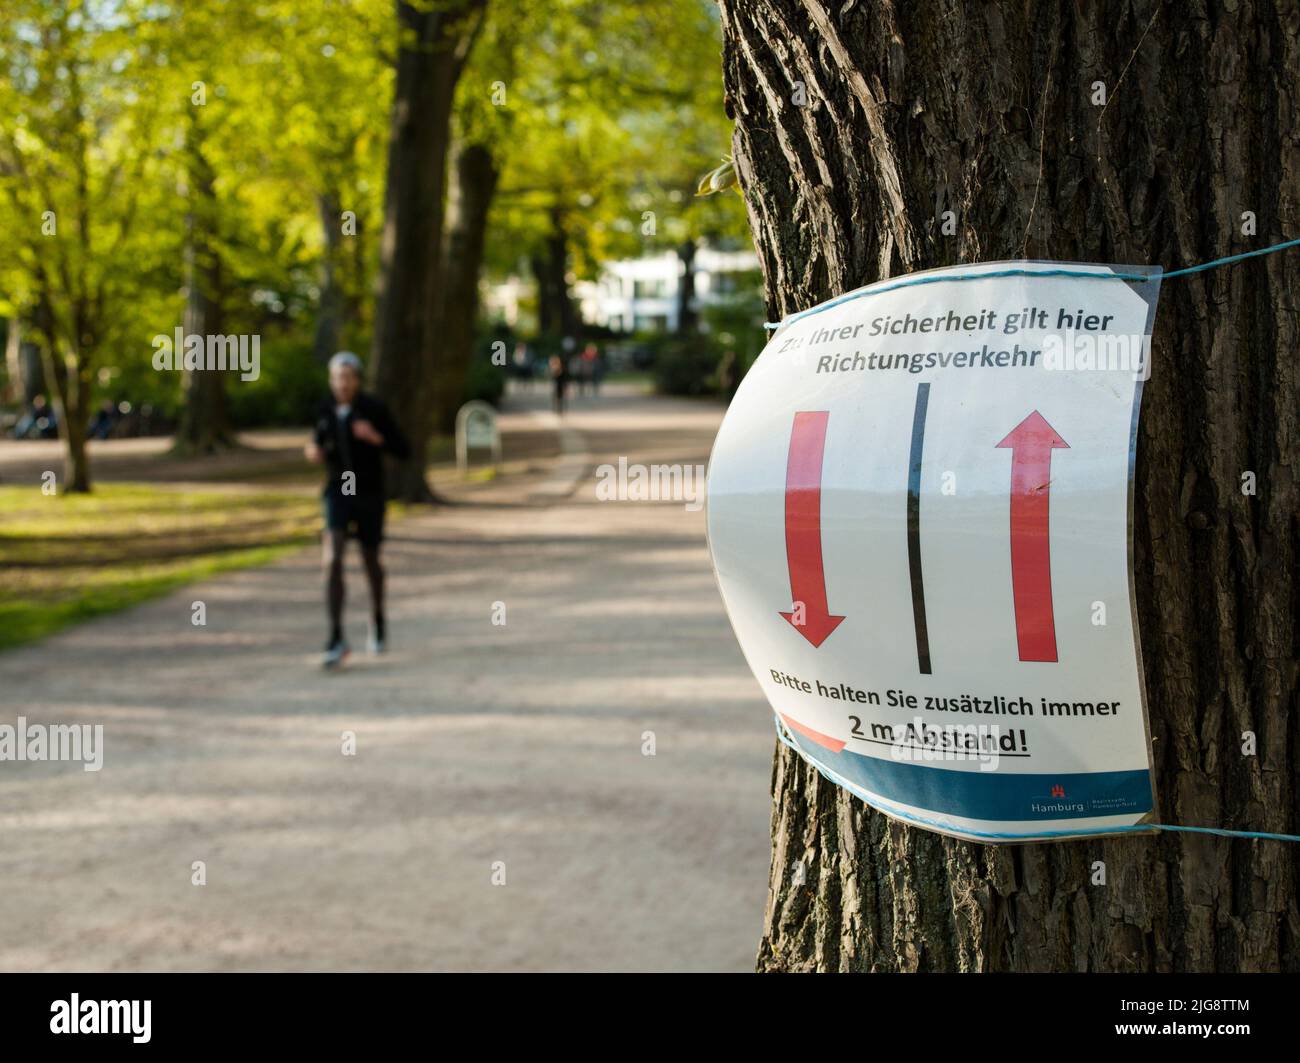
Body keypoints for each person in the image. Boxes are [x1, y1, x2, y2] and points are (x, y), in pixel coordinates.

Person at [304, 352, 410, 668]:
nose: (343, 383)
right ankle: (336, 636)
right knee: (332, 557)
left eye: (348, 377)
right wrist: (312, 451)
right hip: (338, 491)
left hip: (367, 491)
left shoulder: (374, 409)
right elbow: (315, 441)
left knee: (369, 559)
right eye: (337, 377)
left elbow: (403, 449)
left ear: (358, 380)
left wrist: (374, 437)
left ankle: (377, 618)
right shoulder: (323, 409)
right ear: (331, 380)